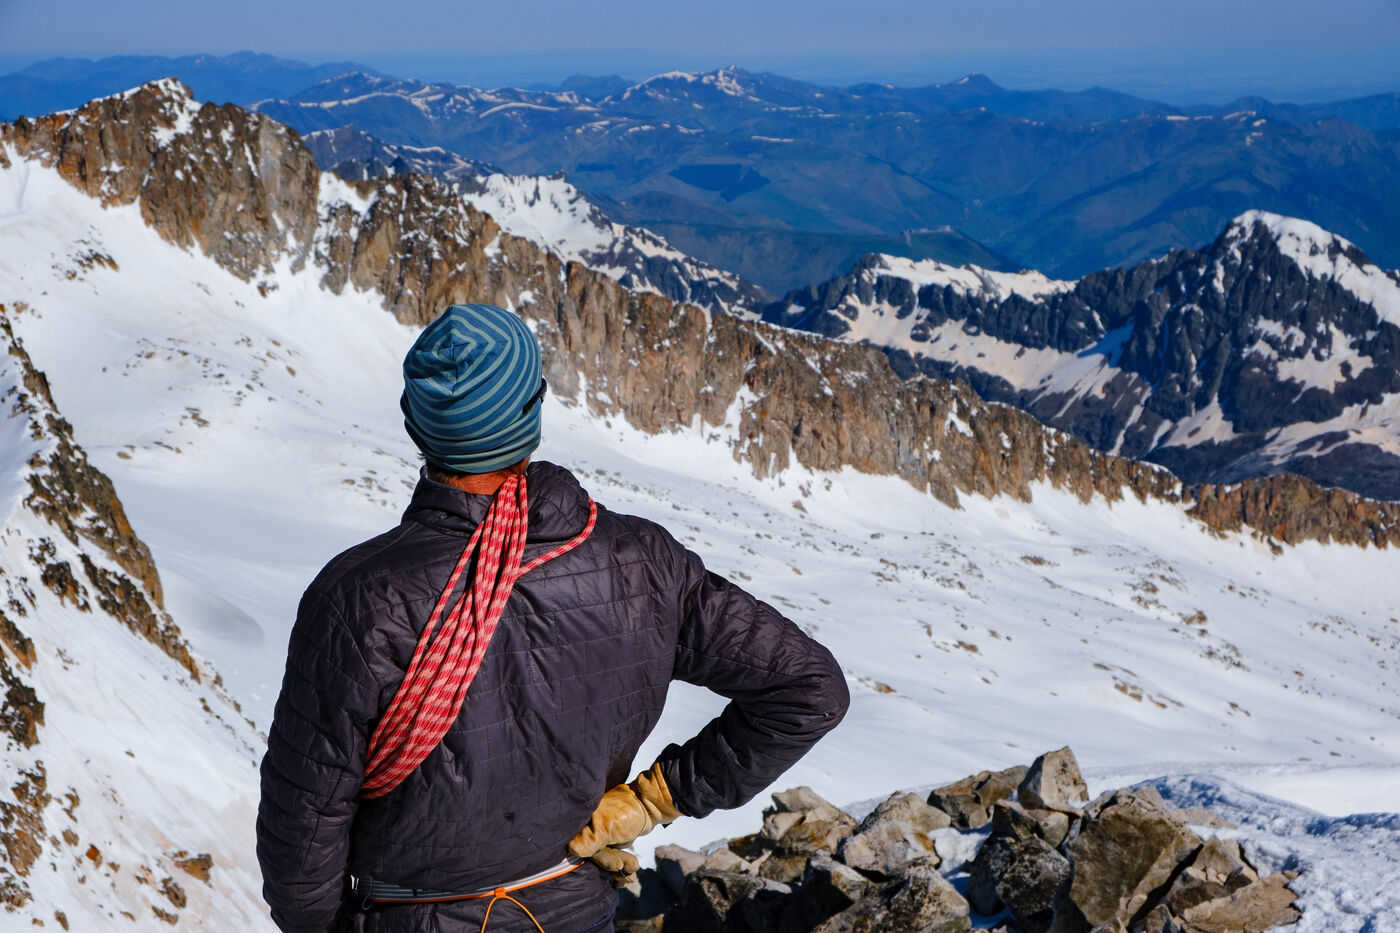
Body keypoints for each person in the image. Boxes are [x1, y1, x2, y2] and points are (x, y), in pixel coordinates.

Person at [256, 303, 849, 933]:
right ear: (532, 411)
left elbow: (304, 827)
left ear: (415, 423)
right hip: (573, 911)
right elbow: (809, 688)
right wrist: (653, 800)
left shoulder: (359, 598)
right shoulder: (642, 562)